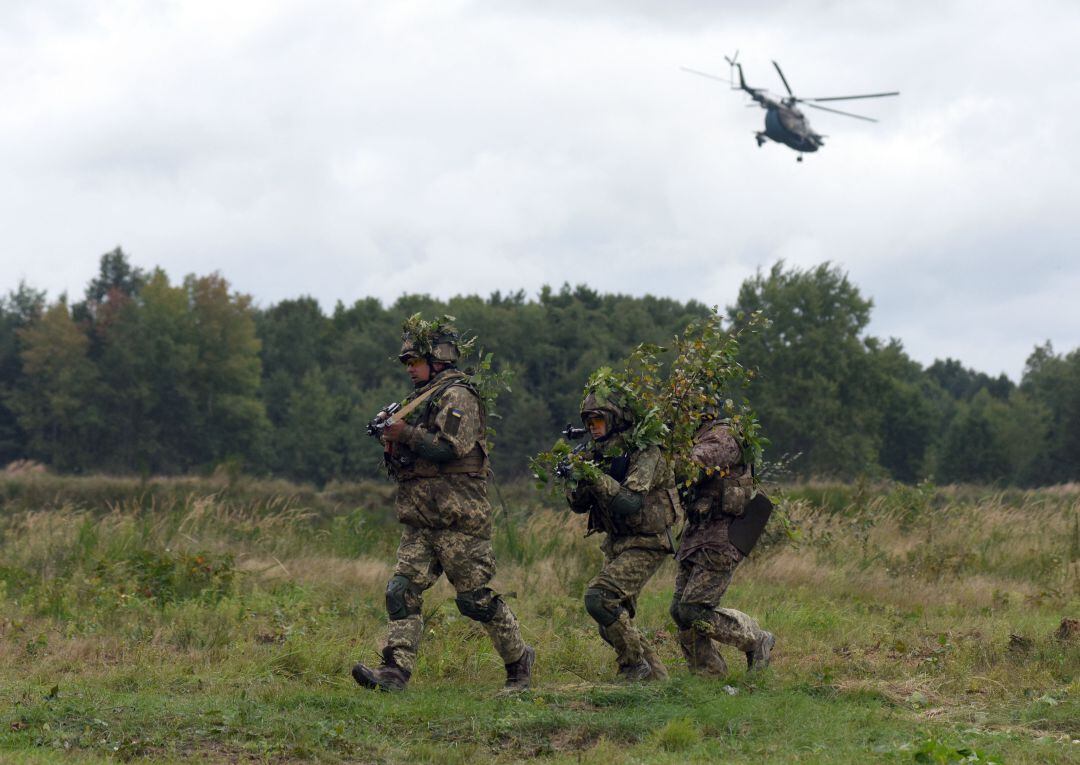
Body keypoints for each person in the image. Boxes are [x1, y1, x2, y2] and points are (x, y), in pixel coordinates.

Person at [352, 318, 533, 692]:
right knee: (400, 591)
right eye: (406, 363)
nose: (409, 369)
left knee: (475, 601)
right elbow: (413, 457)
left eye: (415, 361)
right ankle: (394, 673)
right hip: (421, 519)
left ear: (438, 358)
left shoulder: (458, 396)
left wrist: (406, 433)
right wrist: (393, 441)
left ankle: (519, 665)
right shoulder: (420, 399)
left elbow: (449, 448)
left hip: (458, 520)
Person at [565, 388, 679, 681]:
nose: (592, 429)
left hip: (648, 541)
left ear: (615, 419)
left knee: (599, 599)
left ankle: (633, 667)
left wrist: (594, 475)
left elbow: (629, 501)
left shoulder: (645, 451)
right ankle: (658, 681)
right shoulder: (596, 453)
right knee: (612, 623)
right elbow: (578, 506)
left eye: (598, 422)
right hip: (617, 542)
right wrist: (574, 478)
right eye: (588, 424)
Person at [669, 414, 775, 675]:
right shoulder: (694, 438)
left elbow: (693, 465)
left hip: (720, 538)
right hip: (696, 535)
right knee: (679, 611)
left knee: (693, 610)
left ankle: (756, 638)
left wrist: (664, 455)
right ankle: (709, 675)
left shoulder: (721, 436)